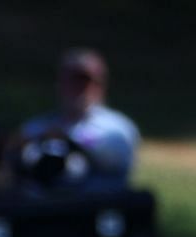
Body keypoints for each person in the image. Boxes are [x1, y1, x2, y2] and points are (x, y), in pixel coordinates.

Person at [8, 48, 139, 193]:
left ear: (100, 86)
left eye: (86, 82)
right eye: (73, 81)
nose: (80, 89)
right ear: (60, 83)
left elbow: (115, 162)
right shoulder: (37, 126)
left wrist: (70, 143)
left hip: (96, 206)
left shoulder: (116, 128)